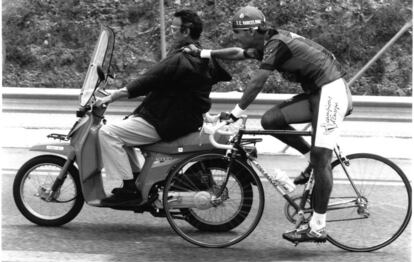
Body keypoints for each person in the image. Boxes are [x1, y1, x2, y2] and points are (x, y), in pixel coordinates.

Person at [184, 5, 352, 243]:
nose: (236, 38)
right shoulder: (265, 44)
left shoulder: (276, 44)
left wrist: (235, 113)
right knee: (271, 120)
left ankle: (317, 227)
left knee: (322, 157)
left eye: (238, 33)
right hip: (316, 93)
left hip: (332, 91)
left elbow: (257, 82)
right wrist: (204, 53)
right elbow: (236, 53)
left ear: (252, 31)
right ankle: (310, 159)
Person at [95, 9, 231, 206]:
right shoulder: (200, 55)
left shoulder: (183, 57)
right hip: (178, 116)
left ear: (186, 31)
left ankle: (128, 188)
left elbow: (149, 80)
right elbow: (185, 90)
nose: (171, 32)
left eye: (174, 28)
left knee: (107, 133)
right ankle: (136, 181)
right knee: (126, 128)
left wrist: (113, 96)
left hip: (166, 121)